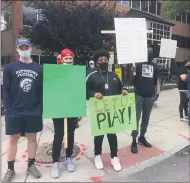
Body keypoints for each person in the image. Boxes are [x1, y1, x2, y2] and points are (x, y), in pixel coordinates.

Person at [2, 38, 43, 182]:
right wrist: (8, 108)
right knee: (13, 138)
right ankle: (10, 169)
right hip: (14, 110)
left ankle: (31, 165)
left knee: (32, 138)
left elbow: (41, 91)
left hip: (33, 110)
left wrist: (39, 108)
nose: (24, 50)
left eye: (27, 47)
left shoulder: (39, 68)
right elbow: (5, 90)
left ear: (31, 48)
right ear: (17, 49)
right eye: (22, 47)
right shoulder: (10, 68)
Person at [86, 50, 128, 172]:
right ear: (97, 62)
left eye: (105, 59)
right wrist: (94, 94)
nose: (103, 61)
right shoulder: (92, 76)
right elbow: (85, 90)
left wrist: (124, 91)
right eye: (101, 60)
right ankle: (97, 155)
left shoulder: (114, 75)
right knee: (99, 134)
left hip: (112, 111)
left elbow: (121, 87)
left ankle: (114, 157)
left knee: (112, 134)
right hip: (98, 111)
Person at [51, 49, 79, 178]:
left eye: (70, 59)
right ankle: (55, 161)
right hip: (58, 108)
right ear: (61, 60)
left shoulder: (76, 73)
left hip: (71, 108)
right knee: (59, 134)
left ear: (72, 60)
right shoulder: (54, 73)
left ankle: (68, 157)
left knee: (71, 134)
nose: (68, 61)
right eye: (66, 59)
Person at [131, 45, 159, 154]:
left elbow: (156, 81)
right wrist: (131, 72)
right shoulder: (137, 65)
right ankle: (134, 139)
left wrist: (156, 94)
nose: (149, 53)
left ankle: (142, 137)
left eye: (151, 52)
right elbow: (130, 81)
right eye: (148, 51)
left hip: (149, 96)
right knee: (136, 119)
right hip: (138, 95)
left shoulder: (155, 66)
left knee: (146, 118)